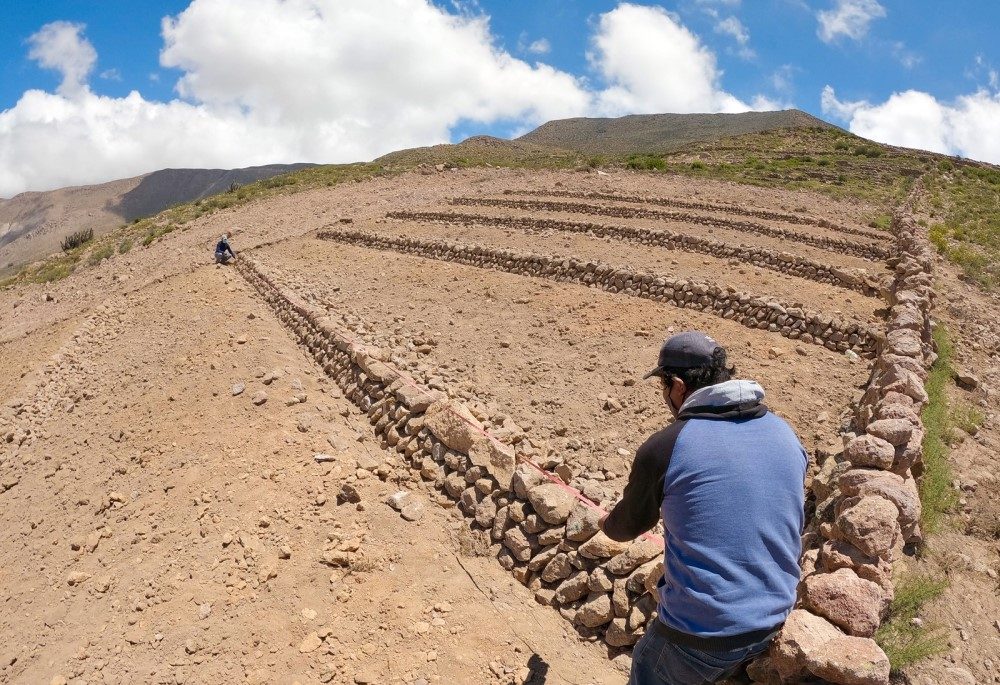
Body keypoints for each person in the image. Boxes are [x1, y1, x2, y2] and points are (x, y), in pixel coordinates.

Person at [600, 331, 806, 685]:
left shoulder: (667, 446)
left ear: (678, 386)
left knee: (650, 661)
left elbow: (624, 527)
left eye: (663, 387)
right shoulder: (784, 433)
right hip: (776, 617)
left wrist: (607, 520)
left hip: (702, 635)